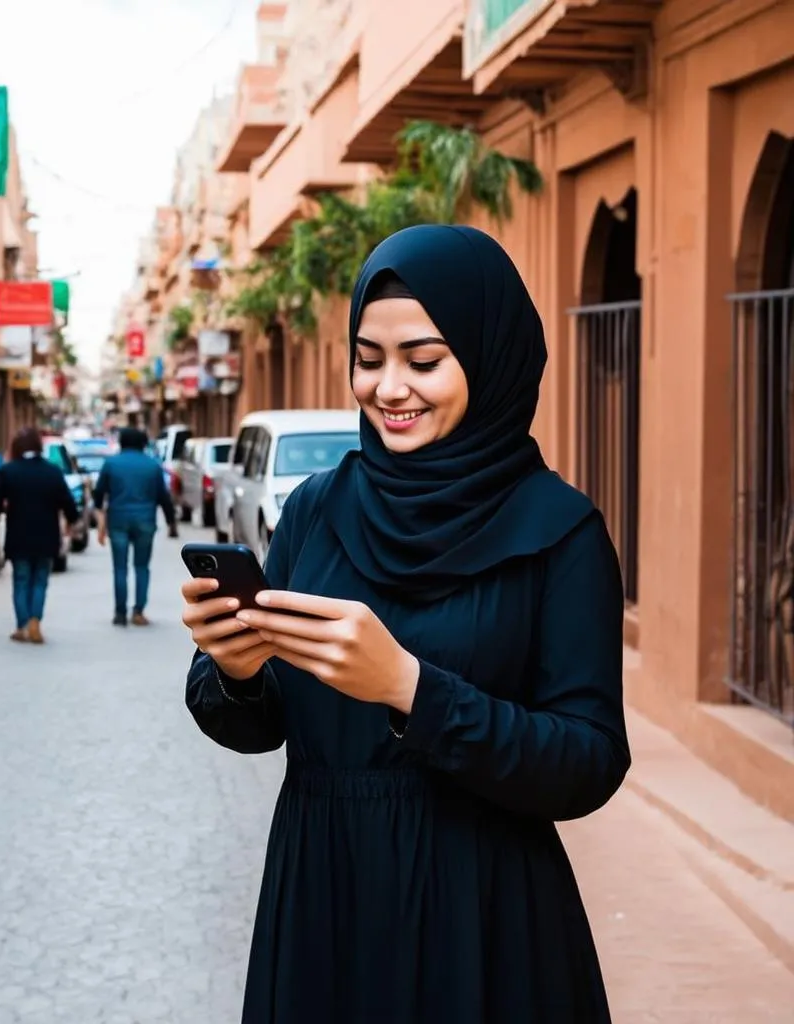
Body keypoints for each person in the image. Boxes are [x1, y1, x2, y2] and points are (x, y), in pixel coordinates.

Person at [181, 225, 630, 1023]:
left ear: (490, 361)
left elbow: (589, 762)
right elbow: (254, 728)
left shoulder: (560, 532)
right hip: (324, 896)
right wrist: (236, 669)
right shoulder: (316, 510)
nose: (390, 387)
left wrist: (412, 691)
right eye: (369, 358)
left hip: (484, 915)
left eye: (424, 361)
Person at [0, 426, 79, 644]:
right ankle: (35, 619)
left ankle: (22, 625)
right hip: (47, 537)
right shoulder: (52, 471)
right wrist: (72, 521)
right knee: (40, 581)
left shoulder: (9, 471)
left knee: (21, 580)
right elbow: (67, 501)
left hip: (19, 536)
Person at [94, 426, 177, 627]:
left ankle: (120, 613)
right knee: (141, 567)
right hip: (145, 520)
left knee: (120, 568)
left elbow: (98, 495)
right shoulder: (152, 465)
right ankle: (138, 611)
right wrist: (171, 521)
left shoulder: (111, 464)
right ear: (143, 443)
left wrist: (101, 523)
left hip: (118, 520)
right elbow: (163, 497)